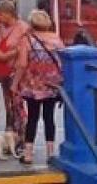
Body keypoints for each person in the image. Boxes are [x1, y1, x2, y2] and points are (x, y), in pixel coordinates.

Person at [19, 10, 66, 165]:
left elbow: (22, 64)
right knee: (49, 118)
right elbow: (62, 62)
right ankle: (50, 153)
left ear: (32, 24)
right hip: (51, 85)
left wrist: (15, 84)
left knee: (32, 118)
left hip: (33, 85)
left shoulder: (27, 40)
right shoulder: (57, 40)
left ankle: (28, 154)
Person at [0, 0, 31, 160]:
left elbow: (24, 50)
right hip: (5, 72)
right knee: (8, 105)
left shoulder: (22, 28)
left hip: (17, 72)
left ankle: (22, 138)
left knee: (18, 105)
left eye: (0, 14)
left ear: (8, 14)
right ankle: (10, 136)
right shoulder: (1, 29)